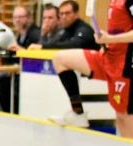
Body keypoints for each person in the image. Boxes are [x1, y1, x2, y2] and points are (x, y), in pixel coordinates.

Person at [49, 0, 133, 136]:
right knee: (60, 59)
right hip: (107, 57)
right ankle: (77, 112)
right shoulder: (114, 1)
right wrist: (105, 42)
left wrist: (111, 39)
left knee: (123, 118)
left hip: (124, 66)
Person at [30, 0, 99, 48]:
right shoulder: (67, 30)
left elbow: (75, 45)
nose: (64, 17)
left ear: (76, 14)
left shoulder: (83, 28)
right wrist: (43, 35)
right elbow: (56, 44)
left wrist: (43, 46)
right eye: (61, 14)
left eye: (67, 13)